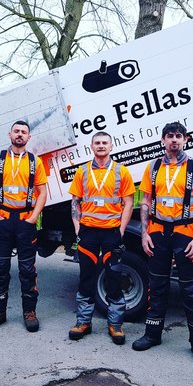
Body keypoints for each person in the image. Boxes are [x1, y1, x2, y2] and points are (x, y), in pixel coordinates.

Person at [133, 121, 193, 365]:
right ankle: (152, 334)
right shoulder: (154, 167)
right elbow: (145, 201)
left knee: (190, 290)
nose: (174, 140)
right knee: (156, 286)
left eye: (179, 135)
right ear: (163, 139)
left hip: (186, 234)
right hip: (157, 233)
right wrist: (145, 234)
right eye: (170, 136)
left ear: (186, 139)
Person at [67, 131, 135, 345]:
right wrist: (78, 228)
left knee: (114, 278)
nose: (101, 145)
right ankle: (83, 322)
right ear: (92, 146)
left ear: (111, 146)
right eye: (97, 142)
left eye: (105, 142)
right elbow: (75, 202)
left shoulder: (121, 172)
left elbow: (129, 203)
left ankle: (115, 325)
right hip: (88, 233)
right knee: (86, 277)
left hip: (111, 233)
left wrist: (121, 231)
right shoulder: (82, 171)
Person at [0, 120, 48, 332]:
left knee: (27, 270)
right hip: (3, 221)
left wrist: (33, 218)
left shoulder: (34, 162)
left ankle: (29, 312)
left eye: (24, 132)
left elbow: (42, 192)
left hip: (25, 222)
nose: (20, 135)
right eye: (16, 131)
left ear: (29, 138)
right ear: (9, 134)